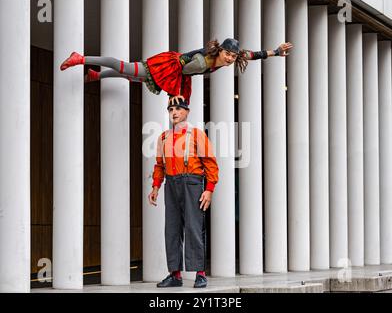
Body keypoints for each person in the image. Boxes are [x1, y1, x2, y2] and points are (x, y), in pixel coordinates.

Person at [60, 38, 293, 104]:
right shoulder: (203, 62)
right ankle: (80, 58)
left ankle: (96, 75)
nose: (231, 59)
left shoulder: (229, 58)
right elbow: (182, 71)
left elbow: (250, 55)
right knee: (126, 67)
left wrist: (274, 51)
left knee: (131, 76)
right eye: (228, 55)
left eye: (233, 56)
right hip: (170, 68)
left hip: (175, 71)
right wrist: (175, 93)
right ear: (221, 52)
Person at [148, 97, 219, 288]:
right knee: (171, 229)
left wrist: (209, 190)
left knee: (194, 228)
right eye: (171, 109)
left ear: (187, 112)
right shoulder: (163, 137)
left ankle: (200, 274)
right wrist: (155, 186)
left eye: (178, 108)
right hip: (171, 184)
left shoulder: (196, 135)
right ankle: (175, 275)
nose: (174, 112)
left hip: (192, 182)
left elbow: (210, 163)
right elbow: (159, 165)